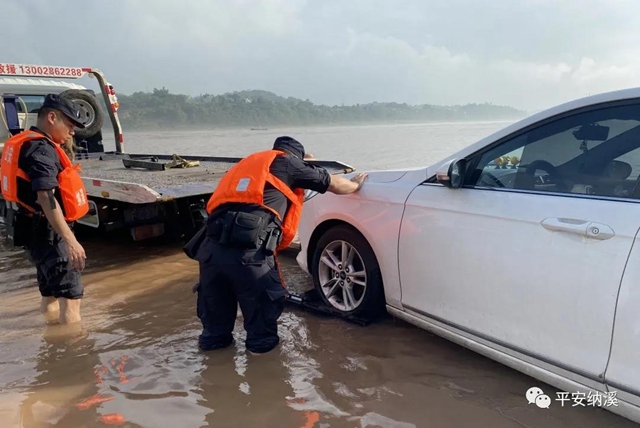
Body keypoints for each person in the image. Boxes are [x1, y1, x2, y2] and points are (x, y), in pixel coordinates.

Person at [190, 136, 367, 354]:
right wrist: (356, 184)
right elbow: (336, 185)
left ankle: (212, 379)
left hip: (210, 253)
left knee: (214, 336)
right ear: (296, 157)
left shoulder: (250, 164)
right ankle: (266, 381)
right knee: (261, 338)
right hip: (249, 257)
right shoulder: (290, 163)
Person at [0, 93, 89, 325]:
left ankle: (50, 343)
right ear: (52, 117)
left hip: (34, 233)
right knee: (71, 297)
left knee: (49, 292)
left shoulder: (26, 141)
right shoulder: (41, 149)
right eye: (69, 125)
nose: (72, 132)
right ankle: (73, 354)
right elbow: (45, 195)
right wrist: (69, 240)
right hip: (50, 235)